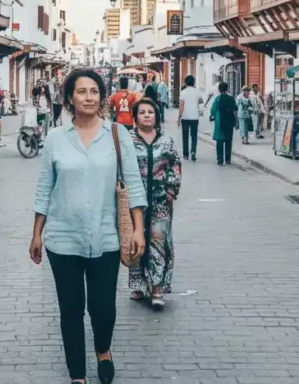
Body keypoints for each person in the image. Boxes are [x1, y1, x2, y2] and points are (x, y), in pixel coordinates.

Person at [30, 68, 147, 384]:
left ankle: (103, 350)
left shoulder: (117, 134)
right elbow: (44, 187)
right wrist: (36, 233)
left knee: (103, 309)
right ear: (70, 98)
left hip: (106, 237)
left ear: (102, 97)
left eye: (94, 91)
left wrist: (138, 229)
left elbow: (134, 184)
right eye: (82, 91)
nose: (89, 97)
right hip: (62, 238)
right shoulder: (56, 138)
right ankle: (77, 375)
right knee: (70, 311)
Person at [128, 99, 180, 310]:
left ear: (157, 117)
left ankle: (157, 287)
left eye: (151, 112)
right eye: (142, 112)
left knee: (159, 243)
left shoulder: (166, 141)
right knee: (137, 242)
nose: (147, 115)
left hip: (160, 201)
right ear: (136, 117)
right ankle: (139, 285)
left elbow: (175, 164)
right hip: (136, 202)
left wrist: (171, 189)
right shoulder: (128, 141)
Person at [209, 82, 238, 165]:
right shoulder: (231, 98)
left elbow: (213, 110)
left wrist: (212, 115)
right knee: (228, 140)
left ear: (219, 89)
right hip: (229, 121)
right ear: (227, 89)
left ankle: (220, 159)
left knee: (220, 141)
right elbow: (235, 108)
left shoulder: (217, 99)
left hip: (219, 122)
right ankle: (228, 159)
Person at [177, 75, 201, 162]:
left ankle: (185, 154)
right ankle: (193, 151)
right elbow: (200, 103)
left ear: (185, 82)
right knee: (194, 135)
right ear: (193, 82)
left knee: (185, 135)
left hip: (185, 116)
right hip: (195, 116)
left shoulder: (183, 92)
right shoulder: (197, 92)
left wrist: (179, 117)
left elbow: (181, 105)